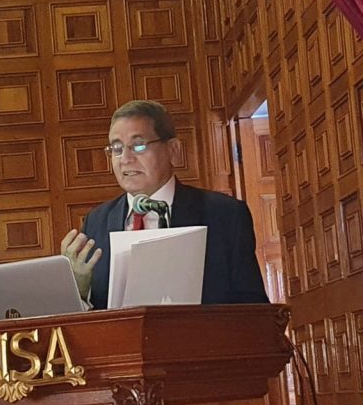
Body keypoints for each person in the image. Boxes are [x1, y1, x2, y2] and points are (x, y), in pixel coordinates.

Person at [61, 99, 270, 309]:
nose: (125, 159)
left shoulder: (224, 215)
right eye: (117, 148)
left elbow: (253, 307)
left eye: (138, 146)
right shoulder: (96, 222)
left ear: (173, 150)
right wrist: (79, 292)